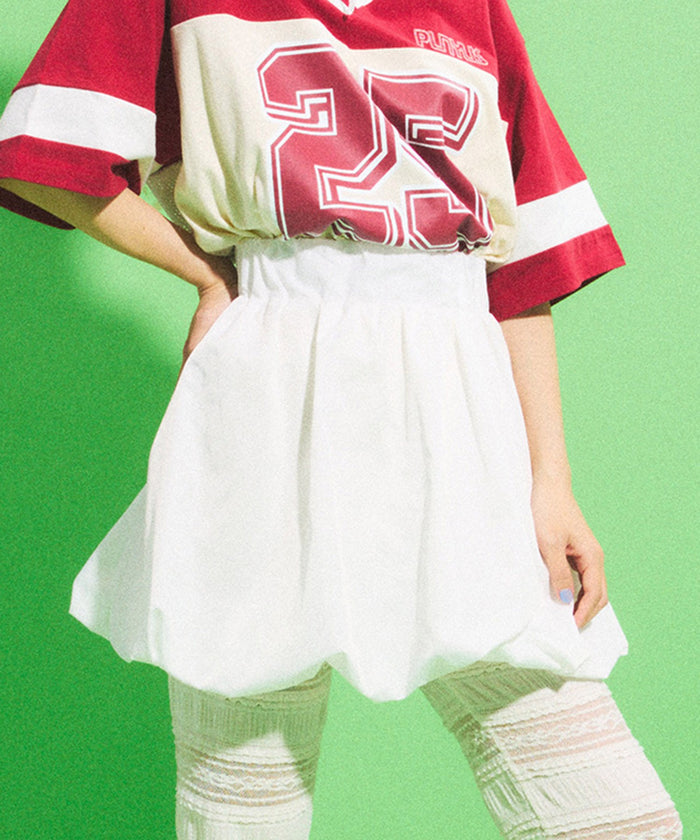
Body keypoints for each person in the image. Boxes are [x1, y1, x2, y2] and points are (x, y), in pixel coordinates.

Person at [0, 0, 682, 837]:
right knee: (243, 809)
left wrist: (552, 483)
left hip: (457, 394)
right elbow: (46, 158)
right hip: (266, 388)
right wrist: (211, 275)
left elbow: (520, 272)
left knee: (611, 811)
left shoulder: (474, 10)